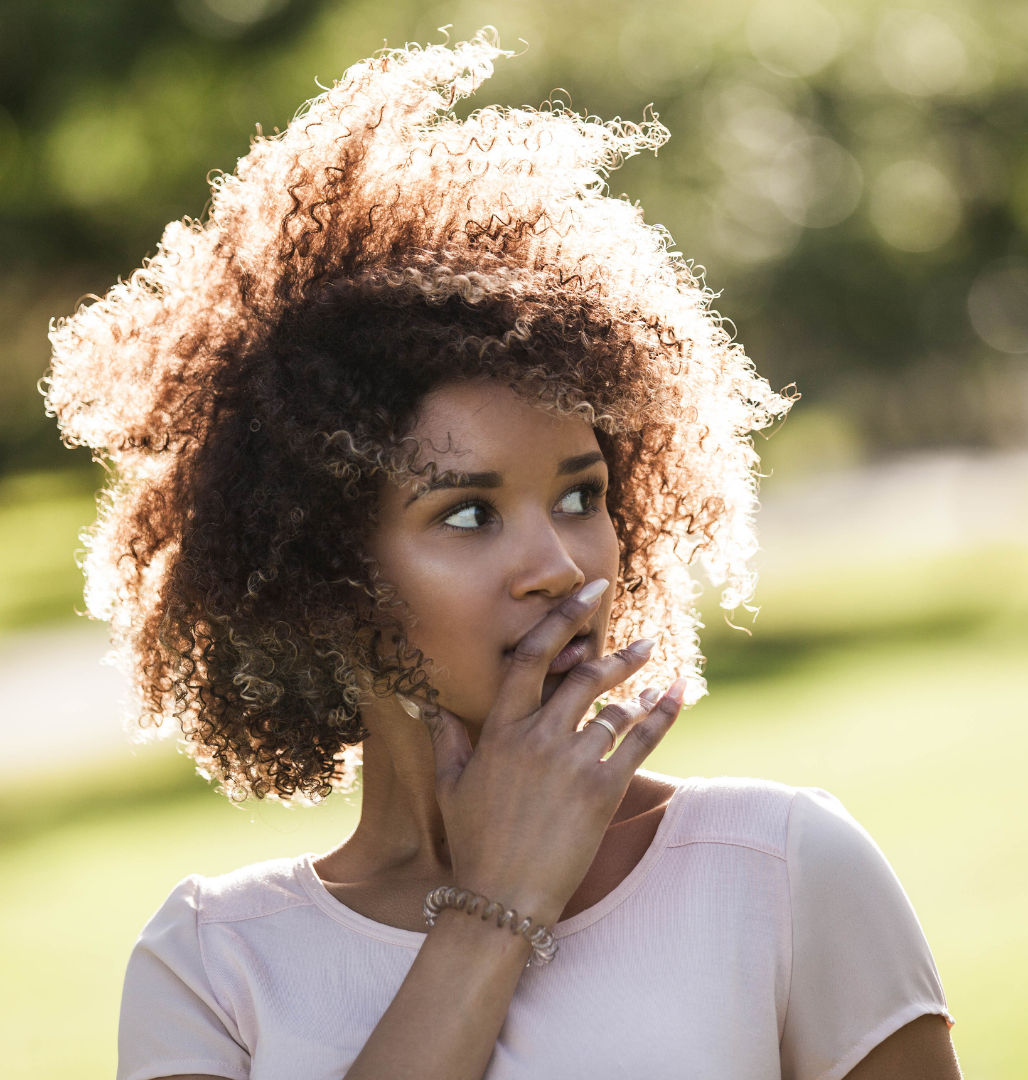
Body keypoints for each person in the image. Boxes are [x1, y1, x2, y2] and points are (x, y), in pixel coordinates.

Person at [46, 35, 961, 1080]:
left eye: (581, 495)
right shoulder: (212, 968)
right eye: (468, 514)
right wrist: (494, 913)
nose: (560, 565)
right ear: (324, 572)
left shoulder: (782, 868)